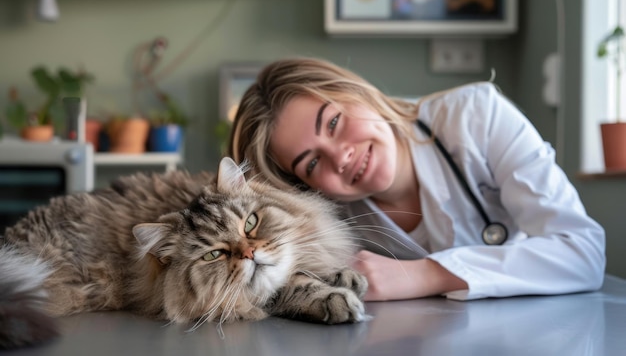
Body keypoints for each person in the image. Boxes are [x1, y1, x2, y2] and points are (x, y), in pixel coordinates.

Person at [227, 57, 606, 302]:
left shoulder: (478, 117)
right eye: (311, 164)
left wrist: (425, 274)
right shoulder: (328, 225)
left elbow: (583, 253)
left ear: (355, 91)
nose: (340, 155)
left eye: (334, 122)